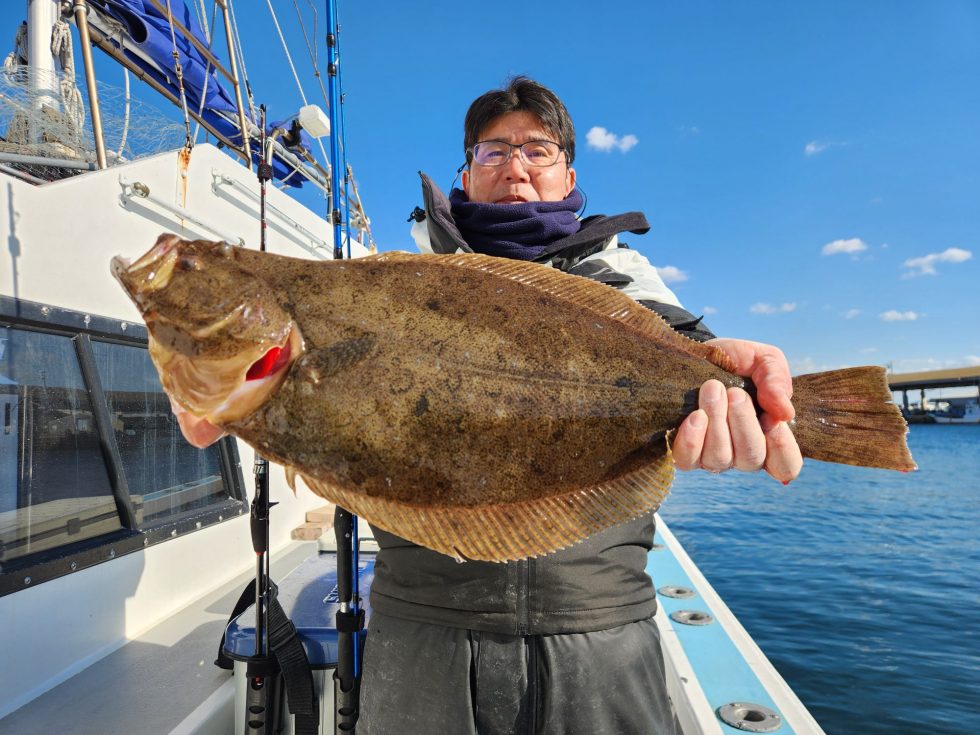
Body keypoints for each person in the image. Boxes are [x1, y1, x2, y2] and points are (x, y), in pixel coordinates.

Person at [174, 76, 803, 734]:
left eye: (538, 150)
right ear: (466, 175)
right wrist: (222, 390)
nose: (515, 167)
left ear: (569, 175)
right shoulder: (391, 285)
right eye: (493, 151)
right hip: (424, 639)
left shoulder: (625, 287)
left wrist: (743, 391)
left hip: (602, 639)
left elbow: (689, 349)